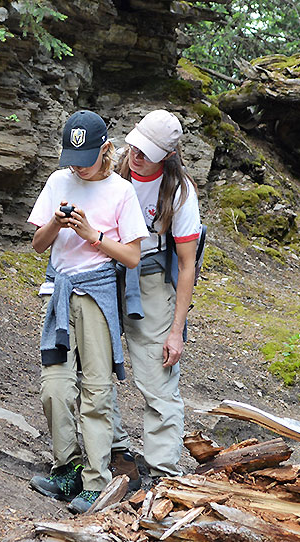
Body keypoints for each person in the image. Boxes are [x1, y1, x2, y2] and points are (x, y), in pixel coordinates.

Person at [27, 110, 149, 513]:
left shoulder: (120, 192)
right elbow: (37, 245)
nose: (78, 167)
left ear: (105, 151)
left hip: (96, 295)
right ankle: (66, 468)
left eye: (86, 159)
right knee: (55, 387)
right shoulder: (58, 181)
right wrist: (58, 226)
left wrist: (92, 236)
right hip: (58, 291)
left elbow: (132, 256)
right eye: (72, 159)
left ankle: (96, 482)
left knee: (96, 391)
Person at [111, 109, 202, 482]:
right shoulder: (114, 166)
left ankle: (163, 473)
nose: (138, 155)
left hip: (150, 281)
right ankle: (115, 453)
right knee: (95, 366)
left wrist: (176, 331)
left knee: (157, 376)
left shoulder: (179, 193)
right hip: (105, 270)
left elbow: (186, 265)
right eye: (137, 145)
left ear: (168, 154)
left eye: (148, 151)